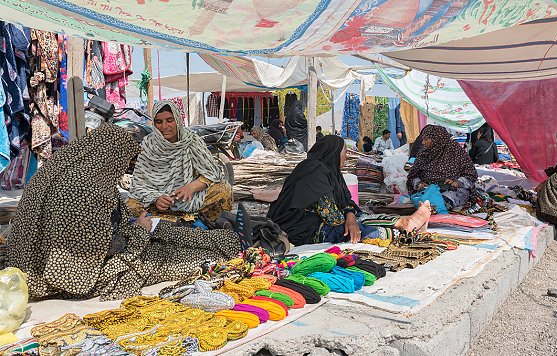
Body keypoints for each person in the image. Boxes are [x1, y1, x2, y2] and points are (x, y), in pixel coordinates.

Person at [7, 124, 241, 301]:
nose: (125, 166)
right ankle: (222, 246)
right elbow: (93, 252)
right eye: (124, 160)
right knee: (170, 258)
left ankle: (224, 239)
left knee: (171, 234)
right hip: (62, 274)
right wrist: (138, 230)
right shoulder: (83, 190)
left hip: (33, 261)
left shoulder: (65, 172)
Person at [267, 135, 431, 246]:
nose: (346, 156)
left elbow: (346, 202)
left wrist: (351, 216)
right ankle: (405, 229)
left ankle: (403, 222)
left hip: (322, 220)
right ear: (333, 153)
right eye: (344, 151)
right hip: (303, 229)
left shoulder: (330, 172)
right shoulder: (314, 173)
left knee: (359, 217)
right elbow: (332, 217)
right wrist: (351, 220)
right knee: (353, 232)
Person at [128, 101, 232, 227]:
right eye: (159, 122)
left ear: (177, 119)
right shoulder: (148, 145)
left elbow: (213, 172)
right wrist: (156, 199)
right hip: (157, 203)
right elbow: (138, 185)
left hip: (187, 199)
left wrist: (192, 187)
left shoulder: (191, 141)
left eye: (169, 120)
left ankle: (212, 228)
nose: (164, 126)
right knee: (130, 206)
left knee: (223, 190)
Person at [406, 125, 478, 209]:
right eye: (423, 139)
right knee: (422, 201)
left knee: (438, 203)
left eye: (426, 139)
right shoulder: (424, 153)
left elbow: (471, 175)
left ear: (436, 139)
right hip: (428, 190)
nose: (423, 143)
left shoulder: (455, 151)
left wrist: (457, 182)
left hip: (452, 191)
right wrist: (419, 184)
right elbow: (412, 176)